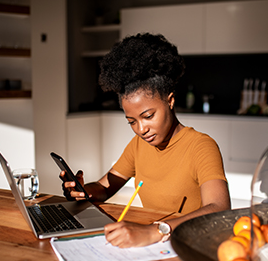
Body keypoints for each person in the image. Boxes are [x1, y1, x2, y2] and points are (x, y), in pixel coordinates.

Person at [60, 33, 231, 248]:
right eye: (131, 121)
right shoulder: (139, 146)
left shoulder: (201, 146)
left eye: (148, 116)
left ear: (170, 101)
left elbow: (220, 208)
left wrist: (156, 230)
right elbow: (104, 187)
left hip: (192, 245)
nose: (141, 129)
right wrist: (83, 191)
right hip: (156, 249)